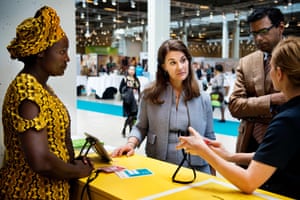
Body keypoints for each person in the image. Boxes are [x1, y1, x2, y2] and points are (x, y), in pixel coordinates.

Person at [176, 36, 300, 199]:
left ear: (279, 73)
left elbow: (248, 182)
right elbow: (273, 154)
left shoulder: (286, 122)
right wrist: (229, 156)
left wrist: (204, 151)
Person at [0, 6, 94, 199]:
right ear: (41, 52)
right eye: (62, 51)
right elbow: (41, 160)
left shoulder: (42, 88)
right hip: (31, 192)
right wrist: (78, 171)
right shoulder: (26, 89)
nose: (67, 58)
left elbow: (53, 145)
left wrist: (71, 163)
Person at [112, 39, 216, 174]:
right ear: (163, 66)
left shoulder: (203, 98)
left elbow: (210, 137)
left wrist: (214, 173)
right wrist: (130, 144)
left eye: (183, 60)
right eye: (173, 62)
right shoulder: (150, 95)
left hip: (198, 169)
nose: (180, 67)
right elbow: (140, 127)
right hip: (160, 167)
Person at [228, 7, 286, 160]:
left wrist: (251, 107)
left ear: (280, 27)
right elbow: (234, 106)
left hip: (285, 141)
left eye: (263, 32)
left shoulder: (295, 56)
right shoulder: (246, 62)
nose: (258, 38)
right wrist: (272, 100)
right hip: (248, 143)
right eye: (254, 34)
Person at [119, 65, 140, 137]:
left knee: (134, 116)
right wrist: (128, 91)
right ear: (128, 70)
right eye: (130, 69)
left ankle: (130, 130)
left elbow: (139, 89)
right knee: (130, 116)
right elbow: (120, 89)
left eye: (133, 70)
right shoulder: (125, 79)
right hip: (128, 100)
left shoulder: (136, 79)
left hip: (136, 100)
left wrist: (139, 98)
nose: (132, 71)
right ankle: (125, 129)